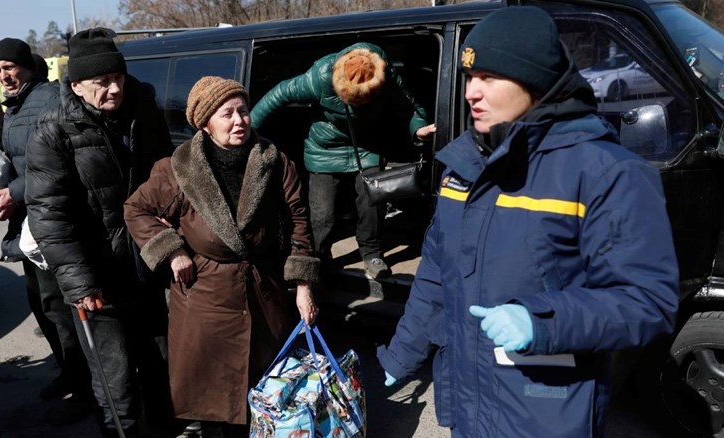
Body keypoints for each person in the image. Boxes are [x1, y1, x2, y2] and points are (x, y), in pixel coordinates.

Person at [377, 6, 679, 438]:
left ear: (535, 80)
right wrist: (402, 354)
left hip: (545, 413)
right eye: (469, 77)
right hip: (468, 406)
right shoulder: (461, 168)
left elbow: (647, 300)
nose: (471, 93)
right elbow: (437, 273)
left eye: (490, 77)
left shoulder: (607, 172)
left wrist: (541, 321)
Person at [124, 76, 320, 437]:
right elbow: (136, 209)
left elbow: (298, 220)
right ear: (205, 122)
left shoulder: (273, 161)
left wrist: (304, 285)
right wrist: (172, 251)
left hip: (264, 294)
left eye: (243, 111)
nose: (239, 120)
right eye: (226, 113)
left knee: (268, 394)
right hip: (205, 299)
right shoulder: (178, 168)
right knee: (214, 402)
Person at [25, 28, 174, 438]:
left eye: (118, 79)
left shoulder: (142, 106)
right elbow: (49, 215)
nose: (113, 89)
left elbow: (166, 173)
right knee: (115, 375)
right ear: (76, 86)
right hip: (96, 274)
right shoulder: (53, 129)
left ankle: (166, 427)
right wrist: (79, 282)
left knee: (160, 359)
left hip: (144, 261)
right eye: (101, 83)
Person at [250, 42, 436, 280]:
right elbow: (277, 95)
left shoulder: (386, 74)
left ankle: (372, 253)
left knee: (373, 204)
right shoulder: (319, 76)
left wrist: (418, 129)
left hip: (366, 146)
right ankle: (319, 256)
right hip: (324, 149)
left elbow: (409, 106)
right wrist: (248, 133)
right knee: (322, 213)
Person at [0, 37, 93, 421]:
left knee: (61, 310)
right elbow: (20, 159)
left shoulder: (46, 100)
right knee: (41, 305)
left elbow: (54, 165)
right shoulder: (16, 105)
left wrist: (13, 192)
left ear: (26, 65)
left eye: (8, 68)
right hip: (28, 224)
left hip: (50, 224)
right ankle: (69, 374)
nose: (3, 76)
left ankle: (86, 391)